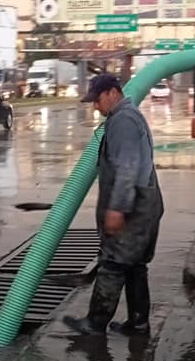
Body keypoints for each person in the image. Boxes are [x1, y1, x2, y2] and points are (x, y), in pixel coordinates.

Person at [64, 74, 164, 337]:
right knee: (134, 266)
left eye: (97, 100)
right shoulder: (127, 116)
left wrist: (117, 208)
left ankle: (95, 324)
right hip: (145, 204)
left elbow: (127, 167)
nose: (95, 107)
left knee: (113, 263)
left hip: (134, 208)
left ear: (111, 93)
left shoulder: (123, 121)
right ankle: (138, 323)